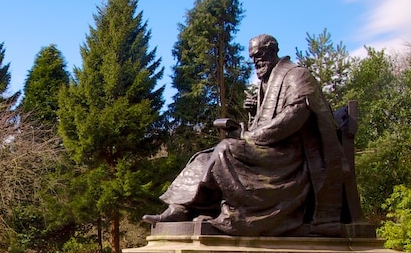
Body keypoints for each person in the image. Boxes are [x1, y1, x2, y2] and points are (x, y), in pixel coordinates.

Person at [144, 33, 346, 236]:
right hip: (266, 149)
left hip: (288, 157)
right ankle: (181, 208)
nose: (256, 60)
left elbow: (294, 116)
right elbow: (262, 123)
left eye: (259, 54)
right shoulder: (265, 83)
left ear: (273, 50)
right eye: (252, 57)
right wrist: (252, 116)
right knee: (203, 157)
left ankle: (235, 213)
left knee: (225, 150)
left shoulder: (296, 75)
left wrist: (250, 137)